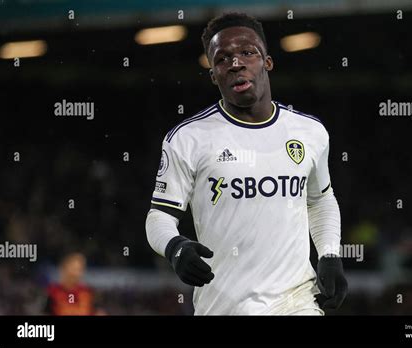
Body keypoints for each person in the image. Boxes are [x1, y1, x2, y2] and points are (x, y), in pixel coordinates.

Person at [146, 12, 347, 315]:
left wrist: (329, 254)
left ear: (267, 61)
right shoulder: (188, 139)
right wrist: (175, 248)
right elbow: (159, 216)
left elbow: (320, 199)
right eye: (223, 59)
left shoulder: (310, 133)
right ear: (214, 74)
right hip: (223, 306)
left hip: (296, 303)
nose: (236, 63)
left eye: (247, 52)